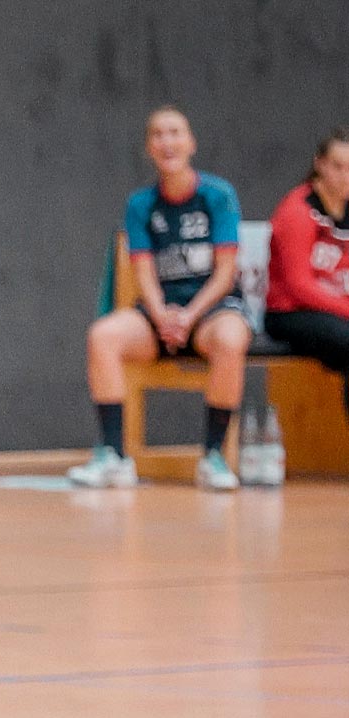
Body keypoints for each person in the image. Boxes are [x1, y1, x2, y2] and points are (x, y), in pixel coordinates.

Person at [70, 106, 252, 491]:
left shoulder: (218, 196)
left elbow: (225, 273)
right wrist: (161, 314)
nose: (167, 141)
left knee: (232, 339)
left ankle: (214, 457)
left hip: (209, 310)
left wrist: (188, 316)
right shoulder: (141, 204)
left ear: (191, 143)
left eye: (175, 133)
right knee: (103, 336)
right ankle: (114, 457)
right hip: (160, 313)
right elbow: (143, 271)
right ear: (149, 147)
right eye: (157, 134)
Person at [264, 126, 349, 415]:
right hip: (289, 313)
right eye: (338, 166)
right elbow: (299, 286)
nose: (345, 176)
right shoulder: (297, 210)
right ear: (319, 164)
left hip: (337, 312)